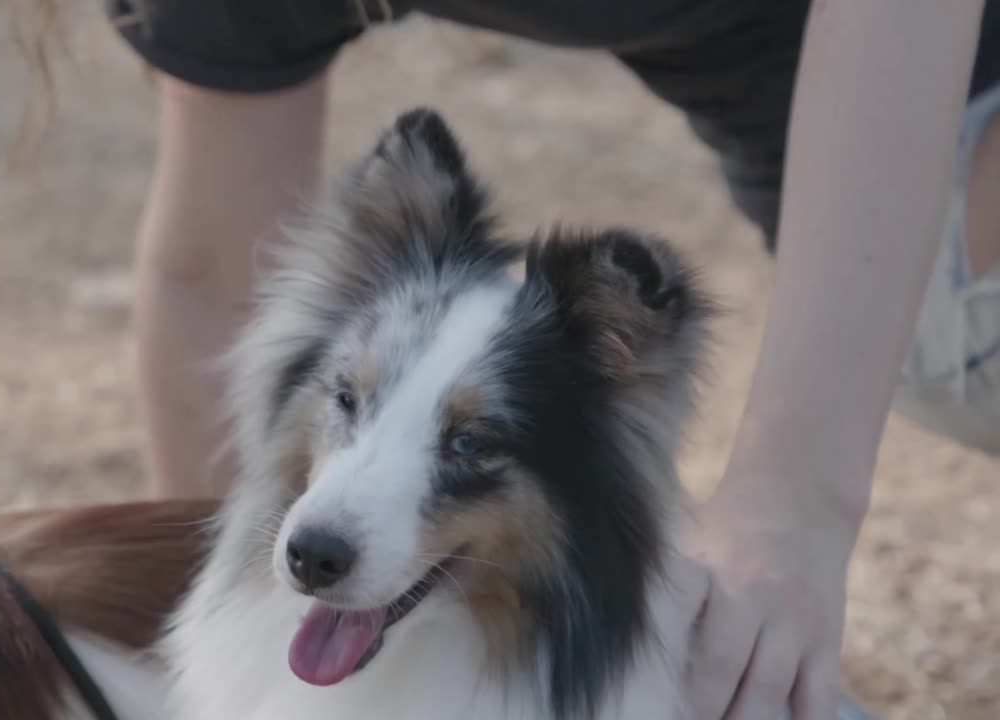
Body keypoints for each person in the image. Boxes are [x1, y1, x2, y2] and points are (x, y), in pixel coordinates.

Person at [101, 0, 1000, 719]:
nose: (323, 522)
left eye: (469, 447)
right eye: (347, 398)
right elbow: (214, 273)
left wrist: (798, 511)